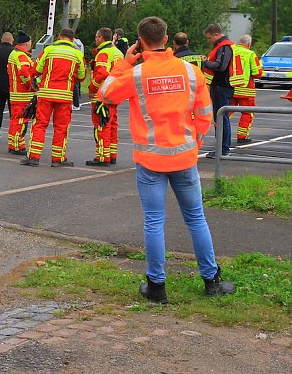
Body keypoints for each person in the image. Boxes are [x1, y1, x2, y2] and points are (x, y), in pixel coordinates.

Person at [99, 16, 235, 303]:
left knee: (154, 221)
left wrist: (124, 63)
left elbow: (106, 94)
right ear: (166, 37)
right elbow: (205, 114)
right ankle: (211, 281)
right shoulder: (190, 72)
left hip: (150, 160)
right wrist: (194, 143)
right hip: (184, 157)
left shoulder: (137, 74)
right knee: (196, 219)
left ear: (140, 41)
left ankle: (156, 286)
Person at [21, 28, 86, 167]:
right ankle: (58, 159)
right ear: (72, 39)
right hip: (64, 96)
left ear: (59, 37)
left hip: (46, 94)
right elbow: (82, 76)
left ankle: (33, 157)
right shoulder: (77, 54)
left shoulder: (49, 50)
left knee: (39, 125)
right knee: (61, 127)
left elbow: (36, 70)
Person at [203, 24, 243, 158]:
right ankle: (222, 148)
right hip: (222, 86)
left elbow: (220, 66)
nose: (209, 41)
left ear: (216, 34)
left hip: (222, 86)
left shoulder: (224, 47)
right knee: (221, 118)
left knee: (221, 118)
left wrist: (205, 62)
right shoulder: (224, 46)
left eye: (210, 38)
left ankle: (223, 149)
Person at [86, 27, 123, 166]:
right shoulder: (118, 52)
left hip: (102, 95)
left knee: (101, 125)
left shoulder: (103, 53)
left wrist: (92, 88)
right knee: (112, 124)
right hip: (115, 93)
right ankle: (112, 155)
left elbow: (101, 74)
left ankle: (102, 157)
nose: (96, 39)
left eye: (96, 37)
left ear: (101, 38)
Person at [229, 34, 263, 144]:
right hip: (246, 89)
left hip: (230, 87)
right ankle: (242, 137)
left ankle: (220, 133)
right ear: (248, 44)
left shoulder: (230, 50)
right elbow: (257, 73)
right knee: (247, 113)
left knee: (225, 112)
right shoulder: (250, 54)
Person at [6, 31, 35, 155]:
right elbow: (24, 73)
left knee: (15, 120)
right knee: (21, 121)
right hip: (23, 95)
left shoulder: (14, 54)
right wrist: (31, 85)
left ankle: (13, 144)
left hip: (15, 93)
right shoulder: (21, 56)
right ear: (27, 43)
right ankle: (18, 146)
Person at [72, 36, 86, 111]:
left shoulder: (73, 44)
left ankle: (76, 104)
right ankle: (78, 100)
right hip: (80, 63)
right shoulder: (79, 43)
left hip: (75, 64)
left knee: (75, 85)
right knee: (77, 84)